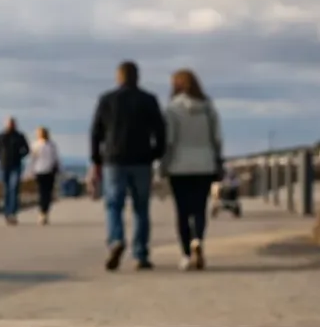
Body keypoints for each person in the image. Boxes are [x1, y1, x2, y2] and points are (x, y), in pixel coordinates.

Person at [90, 61, 167, 270]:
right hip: (142, 159)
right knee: (141, 208)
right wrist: (156, 153)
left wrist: (96, 159)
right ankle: (140, 253)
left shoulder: (107, 100)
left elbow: (96, 132)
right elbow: (160, 130)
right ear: (137, 77)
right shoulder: (148, 100)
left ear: (119, 77)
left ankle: (116, 240)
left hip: (114, 159)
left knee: (114, 204)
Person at [162, 68, 224, 270]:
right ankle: (197, 240)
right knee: (199, 208)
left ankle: (186, 255)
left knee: (182, 211)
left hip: (179, 165)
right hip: (204, 164)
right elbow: (217, 138)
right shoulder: (208, 107)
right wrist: (217, 159)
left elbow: (169, 141)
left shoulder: (172, 109)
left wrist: (163, 165)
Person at [0, 116, 30, 224]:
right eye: (9, 123)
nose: (11, 125)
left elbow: (27, 149)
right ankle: (7, 212)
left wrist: (20, 156)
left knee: (14, 188)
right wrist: (0, 158)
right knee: (6, 189)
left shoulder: (19, 136)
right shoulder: (1, 136)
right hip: (4, 165)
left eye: (12, 123)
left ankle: (13, 212)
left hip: (16, 165)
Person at [28, 126, 61, 224]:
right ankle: (42, 212)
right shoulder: (36, 145)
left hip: (49, 171)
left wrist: (59, 169)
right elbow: (32, 160)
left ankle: (45, 212)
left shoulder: (51, 145)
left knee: (48, 193)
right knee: (42, 192)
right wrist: (30, 171)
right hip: (40, 171)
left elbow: (56, 158)